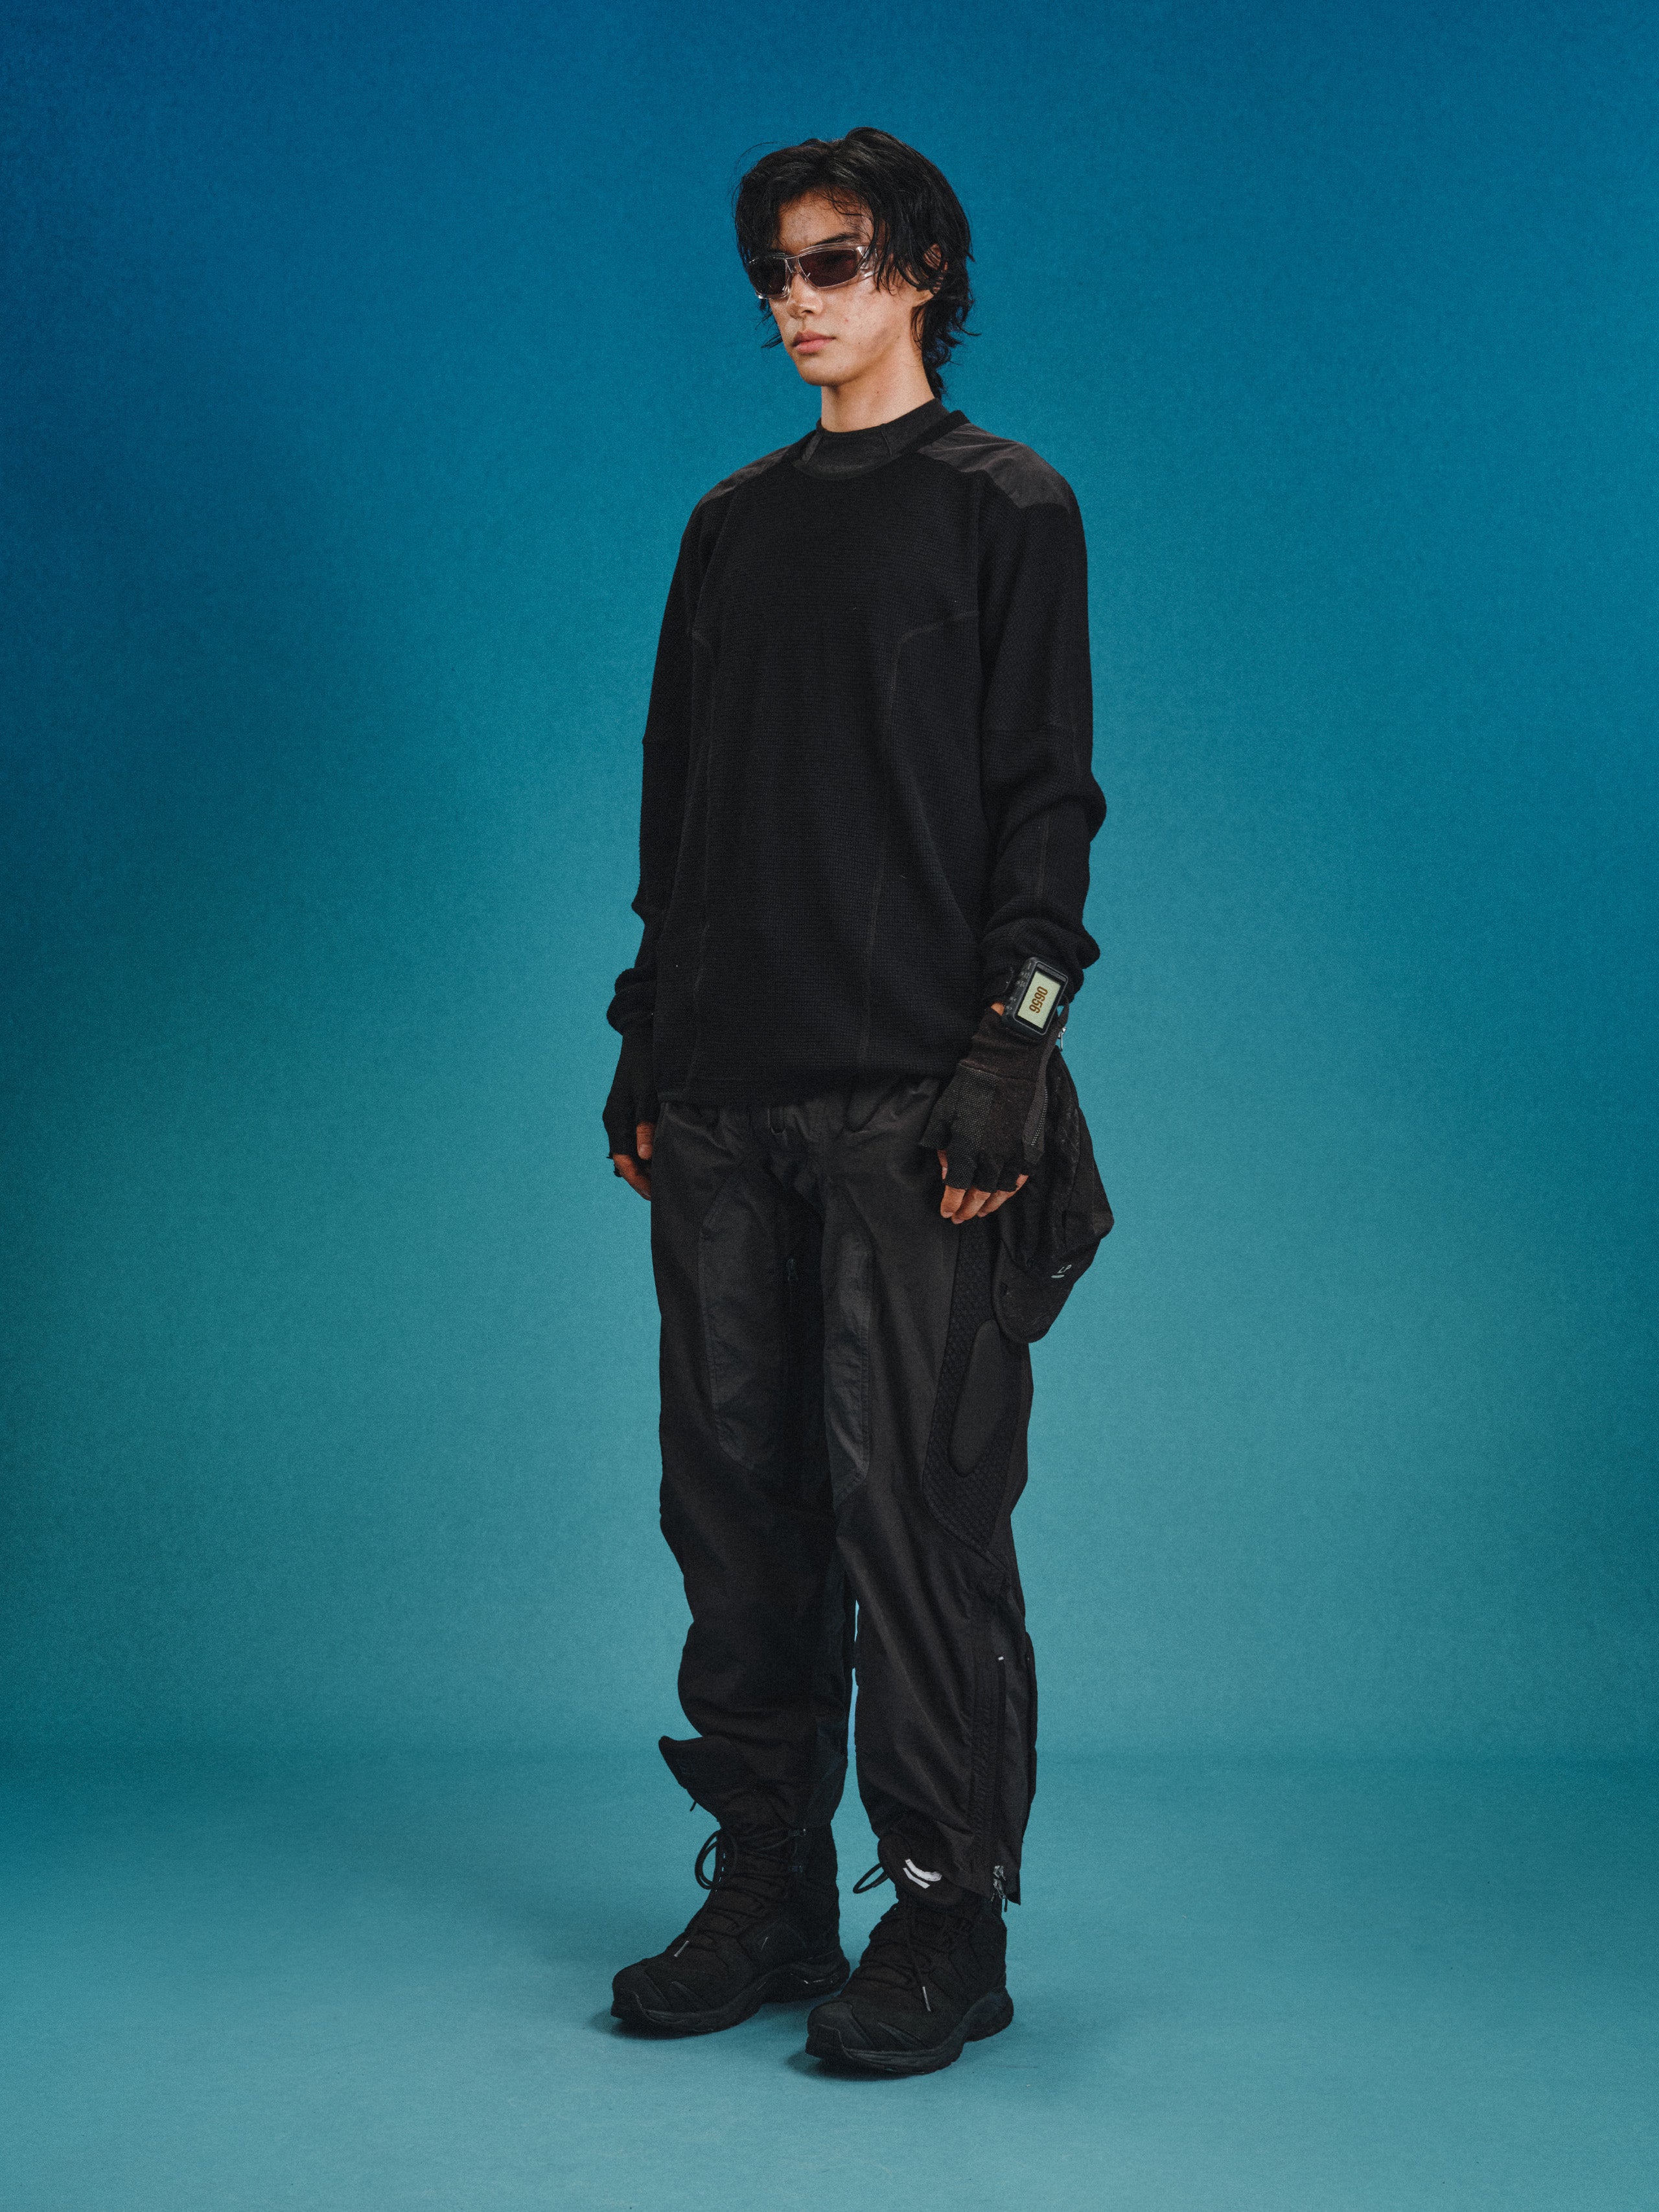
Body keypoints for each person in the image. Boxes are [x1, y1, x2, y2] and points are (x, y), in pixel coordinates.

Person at [601, 126, 1106, 2076]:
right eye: (776, 272)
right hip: (728, 1098)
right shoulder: (729, 527)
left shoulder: (1007, 507)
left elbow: (1048, 804)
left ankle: (947, 1918)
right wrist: (647, 1033)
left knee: (919, 1516)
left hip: (916, 1103)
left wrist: (1015, 1048)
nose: (796, 299)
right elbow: (680, 804)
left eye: (834, 262)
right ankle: (770, 1888)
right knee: (737, 1511)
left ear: (922, 273)